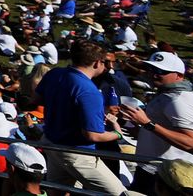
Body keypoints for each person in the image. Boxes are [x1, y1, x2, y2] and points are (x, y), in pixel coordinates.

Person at [34, 40, 125, 195]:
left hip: (51, 143)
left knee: (57, 193)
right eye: (105, 62)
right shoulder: (89, 91)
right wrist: (117, 134)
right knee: (120, 194)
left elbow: (36, 100)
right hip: (76, 153)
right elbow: (93, 135)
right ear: (97, 63)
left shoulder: (54, 73)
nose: (106, 67)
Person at [121, 52, 193, 193]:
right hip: (151, 169)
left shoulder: (180, 100)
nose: (154, 74)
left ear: (179, 75)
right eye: (152, 69)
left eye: (161, 71)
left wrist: (147, 124)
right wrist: (141, 131)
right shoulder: (167, 94)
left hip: (164, 175)